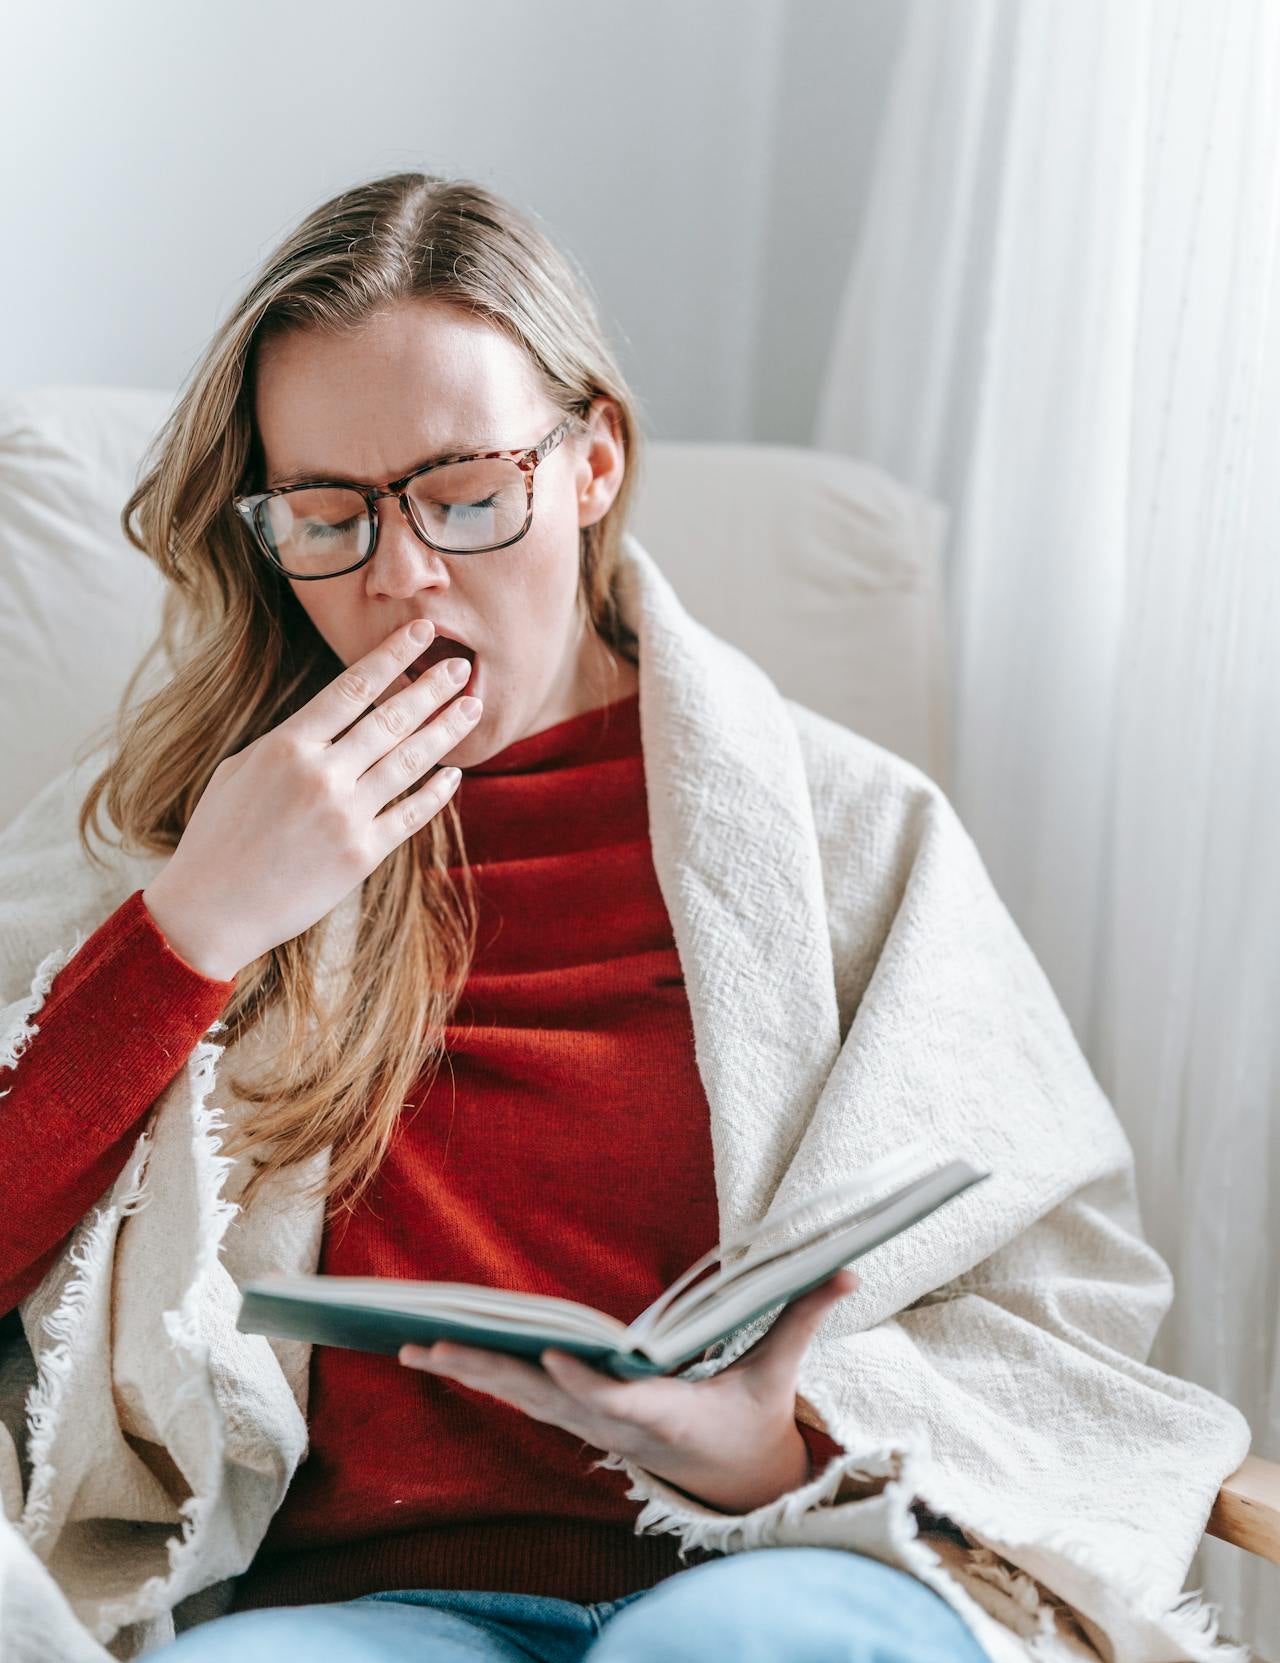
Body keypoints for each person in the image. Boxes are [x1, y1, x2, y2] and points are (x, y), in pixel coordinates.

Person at [0, 173, 1251, 1663]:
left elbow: (1056, 1299)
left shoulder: (856, 833)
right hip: (362, 1610)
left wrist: (773, 1455)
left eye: (467, 496)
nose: (404, 576)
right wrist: (196, 927)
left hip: (777, 1556)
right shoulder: (169, 831)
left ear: (592, 462)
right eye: (327, 517)